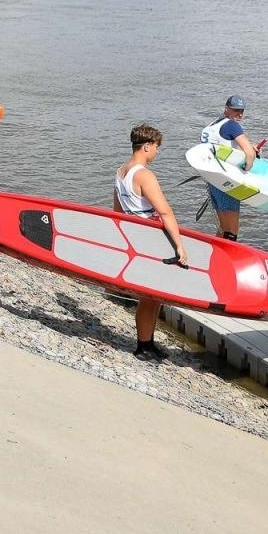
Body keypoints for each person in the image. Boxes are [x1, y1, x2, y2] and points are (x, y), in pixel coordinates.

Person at [112, 124, 188, 360]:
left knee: (152, 296)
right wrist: (179, 246)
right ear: (147, 146)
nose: (156, 152)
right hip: (150, 240)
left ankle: (148, 343)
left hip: (134, 237)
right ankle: (144, 346)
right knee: (150, 297)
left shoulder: (121, 171)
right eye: (156, 147)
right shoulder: (144, 175)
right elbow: (165, 212)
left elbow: (117, 212)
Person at [200, 95, 257, 241]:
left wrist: (248, 151)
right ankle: (226, 261)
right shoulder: (232, 125)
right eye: (236, 110)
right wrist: (247, 167)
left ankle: (215, 260)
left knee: (222, 227)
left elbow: (222, 148)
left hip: (212, 181)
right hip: (227, 182)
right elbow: (249, 154)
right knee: (231, 231)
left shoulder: (212, 126)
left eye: (242, 110)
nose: (240, 114)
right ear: (227, 109)